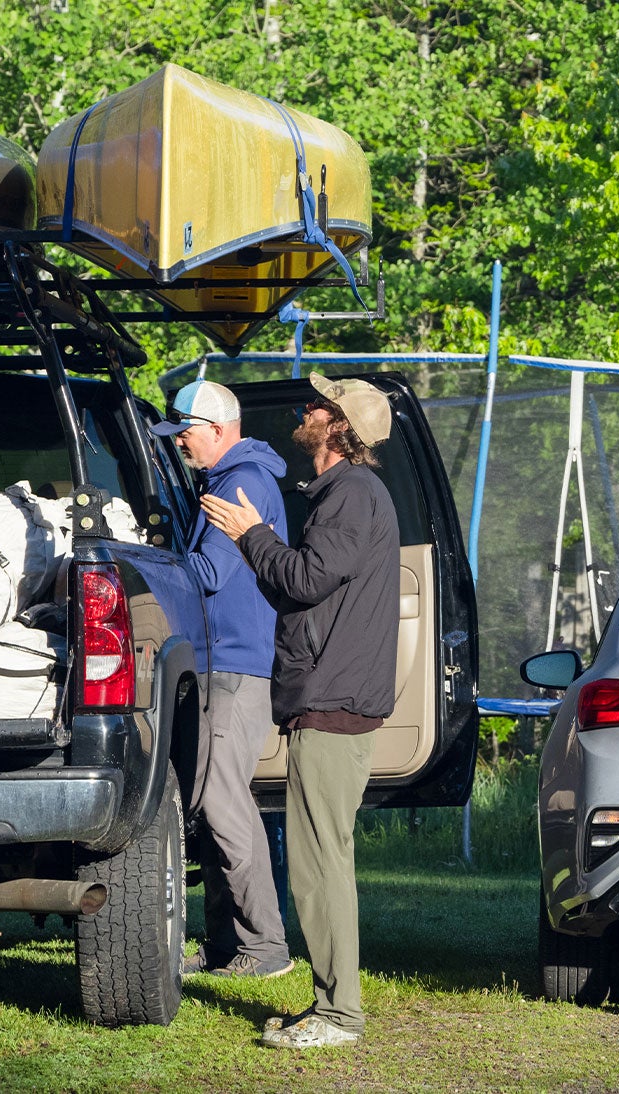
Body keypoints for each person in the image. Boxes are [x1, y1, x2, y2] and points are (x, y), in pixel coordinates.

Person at [199, 374, 400, 1050]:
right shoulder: (342, 494)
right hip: (328, 698)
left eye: (318, 405)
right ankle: (333, 1006)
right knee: (324, 861)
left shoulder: (352, 494)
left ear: (338, 428)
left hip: (334, 702)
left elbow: (307, 579)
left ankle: (339, 1015)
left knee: (318, 868)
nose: (305, 410)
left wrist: (253, 535)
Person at [150, 380, 295, 980]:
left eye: (185, 429)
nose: (179, 440)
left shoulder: (242, 482)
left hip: (235, 666)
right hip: (222, 664)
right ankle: (225, 945)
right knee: (212, 803)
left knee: (222, 803)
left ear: (218, 427)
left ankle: (266, 948)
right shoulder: (225, 479)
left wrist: (146, 560)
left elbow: (208, 572)